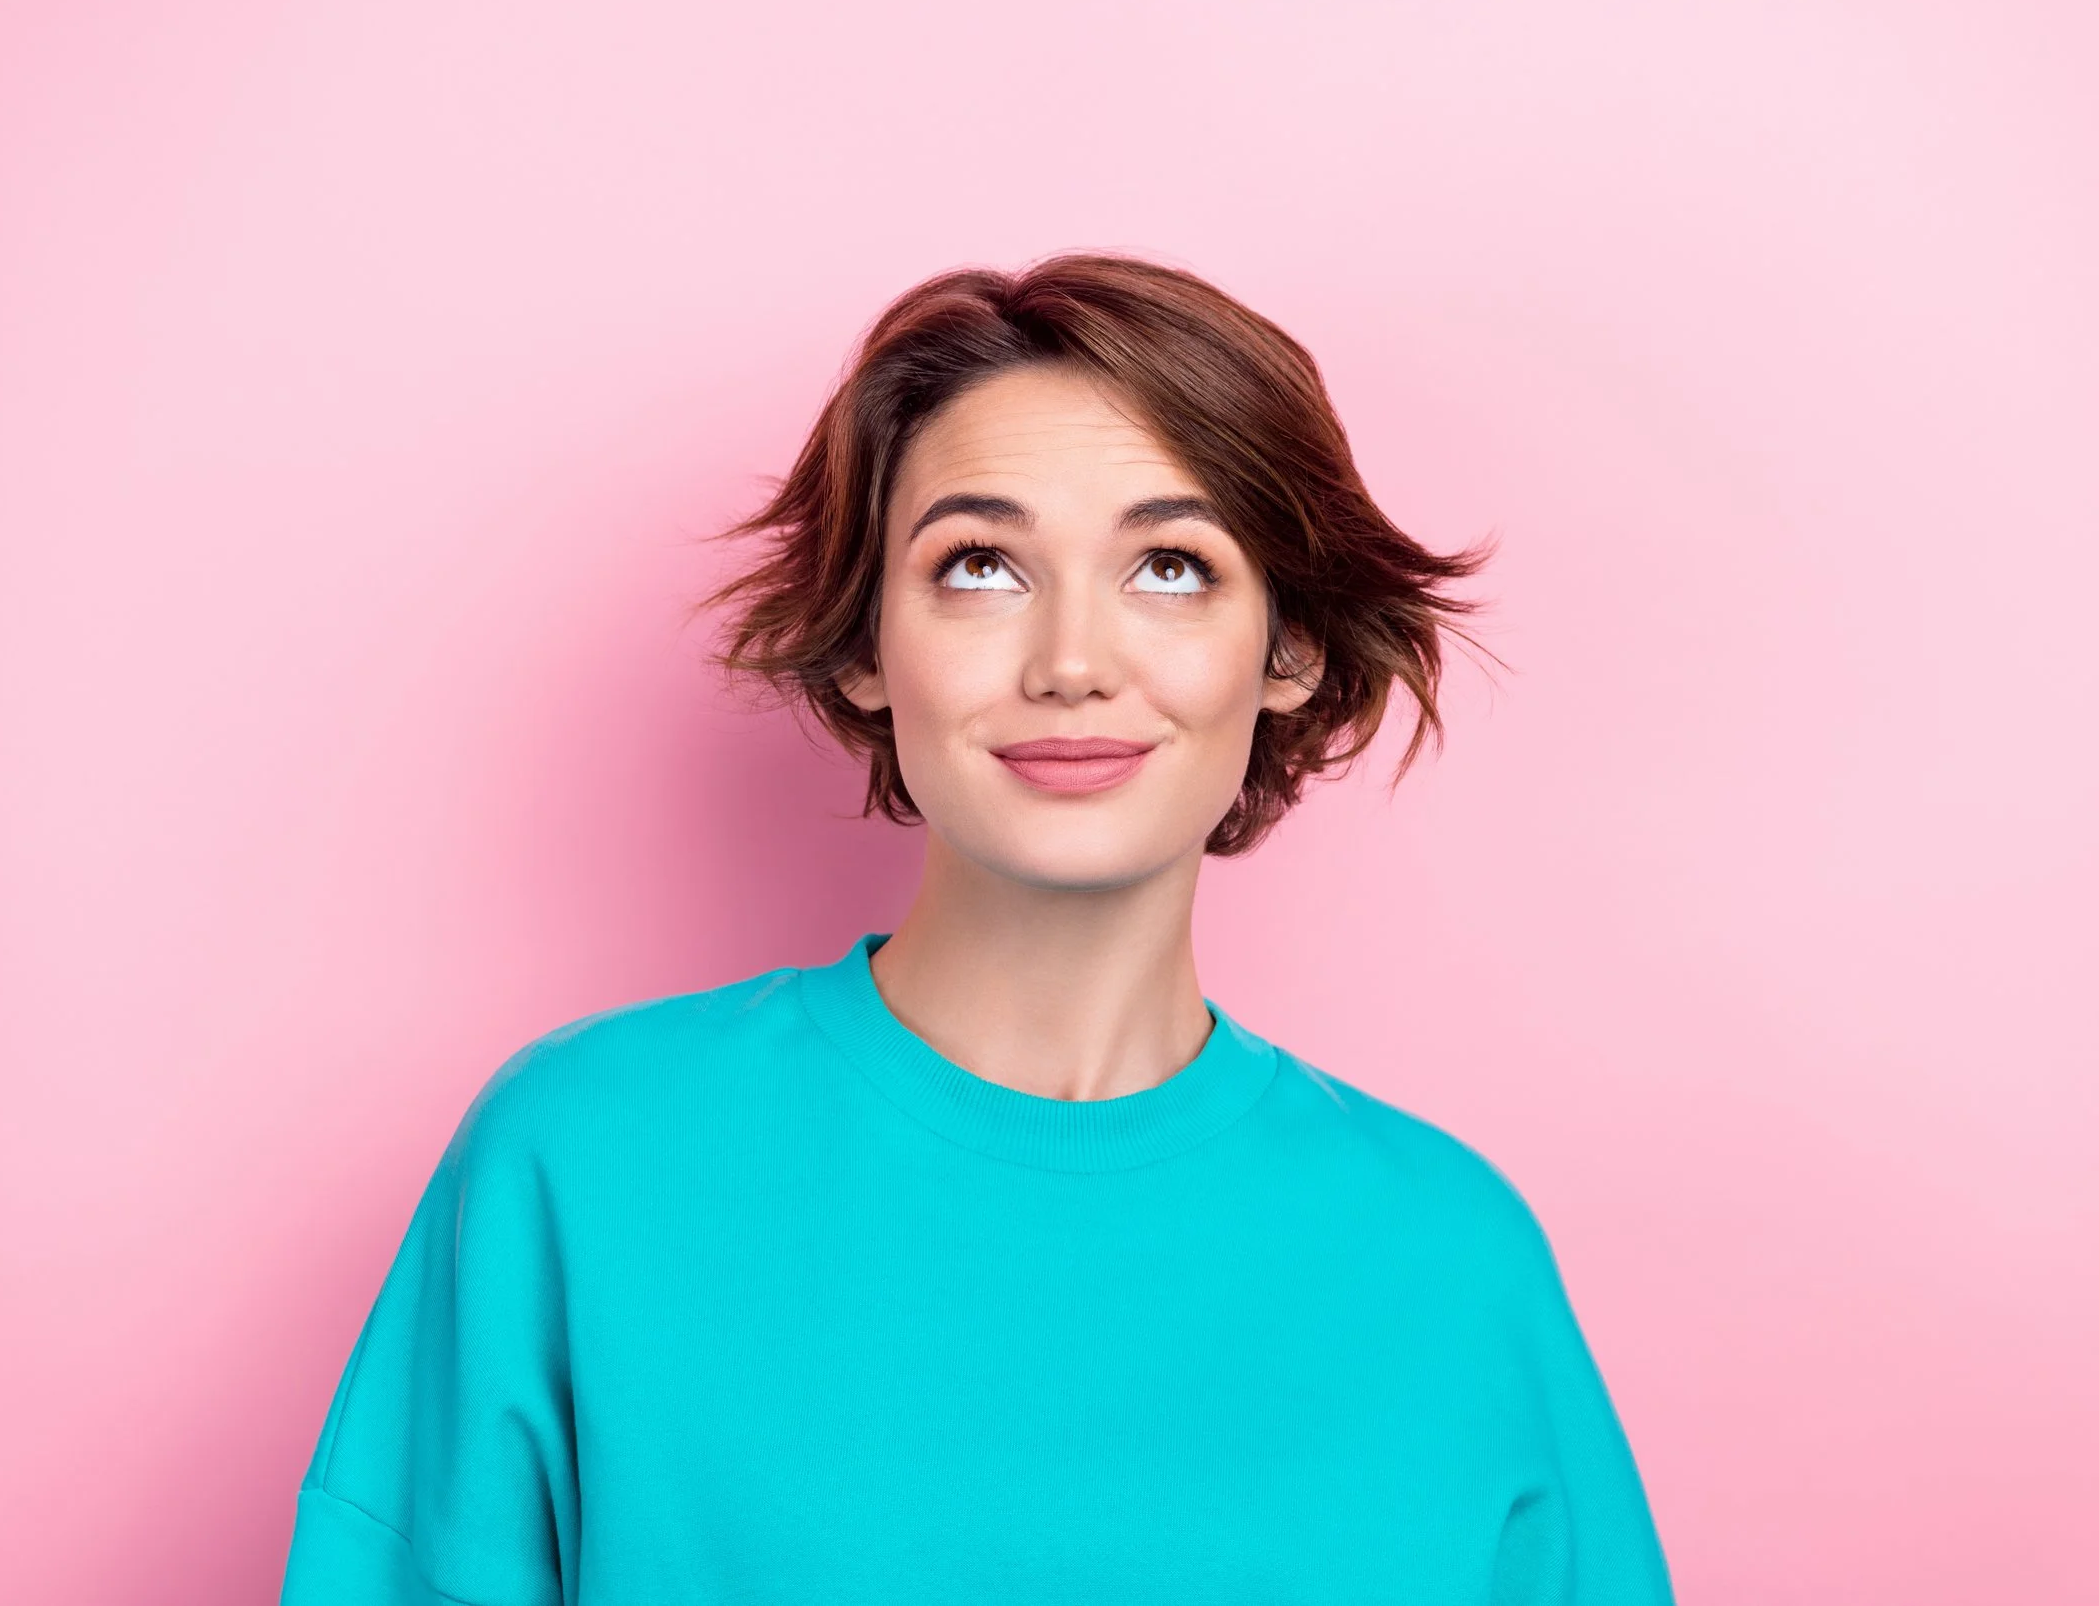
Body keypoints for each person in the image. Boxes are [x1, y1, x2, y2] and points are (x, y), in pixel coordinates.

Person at [276, 253, 1676, 1604]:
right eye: (981, 566)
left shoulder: (1450, 1256)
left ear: (1289, 648)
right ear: (867, 645)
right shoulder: (585, 1158)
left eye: (1171, 566)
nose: (1071, 663)